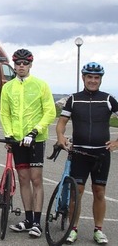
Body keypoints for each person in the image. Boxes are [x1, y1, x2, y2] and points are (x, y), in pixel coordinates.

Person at [56, 62, 118, 244]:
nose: (93, 80)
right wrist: (61, 137)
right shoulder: (74, 99)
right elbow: (61, 123)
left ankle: (98, 230)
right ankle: (73, 229)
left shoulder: (108, 99)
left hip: (101, 154)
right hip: (80, 153)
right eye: (89, 77)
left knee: (99, 192)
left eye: (96, 77)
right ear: (83, 78)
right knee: (77, 192)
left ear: (100, 79)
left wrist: (116, 142)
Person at [0, 48, 56, 237]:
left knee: (36, 179)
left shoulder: (41, 85)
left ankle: (38, 223)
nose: (21, 66)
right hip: (17, 140)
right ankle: (29, 219)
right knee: (23, 179)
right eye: (18, 63)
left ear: (31, 65)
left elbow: (50, 111)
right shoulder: (8, 87)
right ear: (14, 66)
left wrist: (35, 131)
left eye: (25, 63)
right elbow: (4, 113)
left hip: (36, 140)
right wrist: (9, 134)